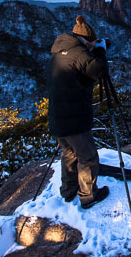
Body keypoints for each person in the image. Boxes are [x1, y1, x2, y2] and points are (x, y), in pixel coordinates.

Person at [47, 15, 109, 209]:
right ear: (86, 41)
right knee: (88, 157)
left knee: (69, 153)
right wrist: (100, 52)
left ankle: (68, 191)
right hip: (74, 117)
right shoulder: (80, 54)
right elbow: (98, 71)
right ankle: (88, 196)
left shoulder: (59, 51)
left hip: (57, 116)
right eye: (91, 43)